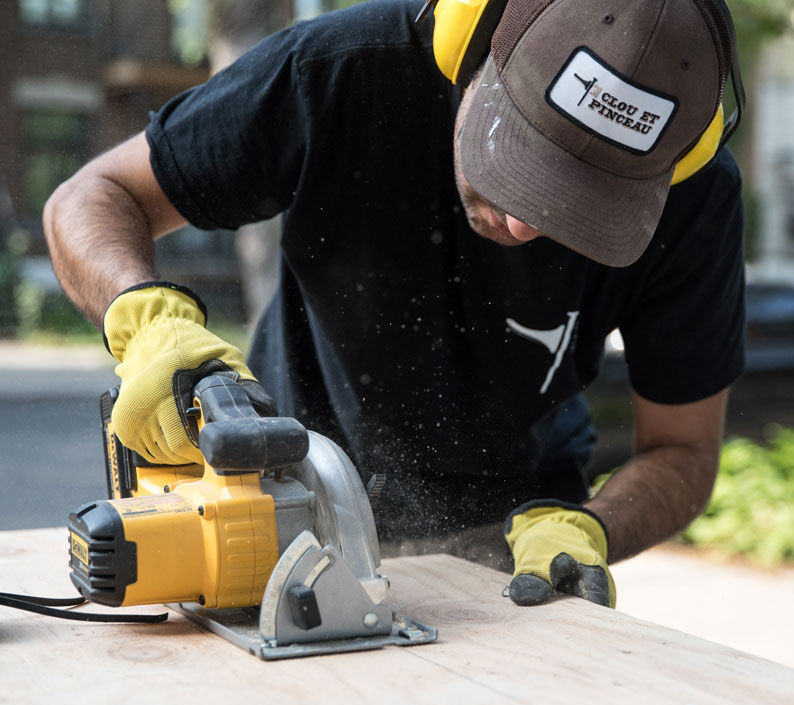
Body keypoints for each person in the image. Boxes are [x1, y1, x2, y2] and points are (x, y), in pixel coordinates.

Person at [44, 0, 747, 610]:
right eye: (519, 154)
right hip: (280, 507)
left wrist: (589, 528)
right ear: (471, 46)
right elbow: (95, 196)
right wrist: (147, 322)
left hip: (515, 547)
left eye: (584, 201)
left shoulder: (696, 200)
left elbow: (682, 450)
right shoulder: (346, 71)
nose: (530, 223)